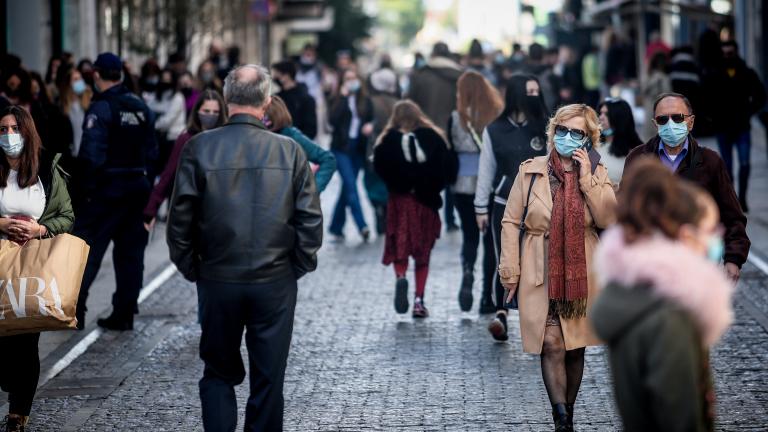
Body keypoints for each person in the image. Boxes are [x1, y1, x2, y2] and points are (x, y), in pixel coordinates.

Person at [167, 64, 323, 432]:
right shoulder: (289, 151)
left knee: (218, 371)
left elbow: (179, 223)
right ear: (267, 103)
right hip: (274, 279)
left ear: (225, 100)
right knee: (269, 378)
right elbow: (310, 223)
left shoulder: (199, 147)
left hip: (219, 277)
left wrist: (196, 269)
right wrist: (294, 267)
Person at [591, 158, 733, 432]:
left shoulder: (634, 299)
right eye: (711, 231)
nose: (716, 240)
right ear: (687, 237)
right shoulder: (669, 319)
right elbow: (679, 417)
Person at [498, 104, 616, 431]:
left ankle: (569, 412)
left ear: (589, 138)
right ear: (552, 132)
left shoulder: (597, 170)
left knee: (575, 347)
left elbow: (608, 218)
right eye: (561, 130)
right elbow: (510, 221)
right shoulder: (530, 170)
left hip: (583, 268)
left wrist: (587, 179)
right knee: (550, 344)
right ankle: (560, 418)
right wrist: (510, 269)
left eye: (576, 132)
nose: (566, 137)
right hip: (540, 266)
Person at [623, 92, 750, 283]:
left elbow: (732, 215)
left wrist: (733, 258)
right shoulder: (638, 159)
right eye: (663, 119)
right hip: (650, 268)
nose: (670, 124)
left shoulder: (710, 161)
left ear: (690, 122)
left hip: (698, 266)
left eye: (677, 117)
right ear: (655, 124)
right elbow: (624, 212)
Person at [0, 106, 74, 432]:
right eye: (2, 129)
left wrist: (39, 230)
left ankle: (19, 411)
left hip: (32, 267)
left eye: (14, 128)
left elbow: (66, 216)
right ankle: (9, 382)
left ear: (27, 132)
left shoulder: (45, 168)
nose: (8, 136)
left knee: (26, 339)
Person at [72, 52, 158, 331]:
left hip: (107, 191)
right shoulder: (140, 107)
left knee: (88, 252)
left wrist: (84, 192)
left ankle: (76, 311)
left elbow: (90, 156)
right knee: (131, 255)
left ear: (97, 75)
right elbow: (152, 153)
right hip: (137, 189)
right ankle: (124, 312)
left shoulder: (101, 108)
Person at [475, 74, 549, 341]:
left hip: (541, 205)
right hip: (504, 204)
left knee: (538, 262)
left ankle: (538, 318)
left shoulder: (546, 127)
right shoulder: (493, 130)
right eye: (529, 91)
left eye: (536, 91)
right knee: (503, 259)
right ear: (517, 94)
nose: (534, 96)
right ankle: (501, 312)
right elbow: (486, 172)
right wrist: (480, 209)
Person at [373, 100, 457, 318]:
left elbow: (379, 168)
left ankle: (401, 277)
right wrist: (431, 187)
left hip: (399, 202)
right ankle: (419, 300)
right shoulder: (433, 137)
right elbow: (446, 169)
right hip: (425, 203)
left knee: (399, 245)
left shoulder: (386, 141)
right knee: (422, 253)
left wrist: (398, 184)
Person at [448, 71, 503, 314]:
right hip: (489, 181)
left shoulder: (455, 117)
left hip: (462, 181)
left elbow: (450, 146)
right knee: (490, 239)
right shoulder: (495, 115)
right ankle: (487, 297)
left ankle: (468, 270)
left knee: (469, 235)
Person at [144, 90, 227, 228]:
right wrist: (151, 209)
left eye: (215, 112)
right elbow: (169, 174)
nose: (211, 115)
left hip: (218, 210)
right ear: (197, 111)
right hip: (191, 209)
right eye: (206, 111)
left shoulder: (226, 138)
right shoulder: (186, 139)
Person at [704, 40, 766, 212]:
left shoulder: (747, 72)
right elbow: (705, 97)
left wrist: (749, 111)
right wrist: (711, 117)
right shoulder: (714, 73)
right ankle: (732, 201)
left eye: (729, 53)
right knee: (727, 168)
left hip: (742, 127)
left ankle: (743, 199)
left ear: (736, 53)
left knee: (745, 164)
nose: (726, 57)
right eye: (724, 54)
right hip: (722, 128)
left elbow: (761, 95)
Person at [408, 42, 463, 232]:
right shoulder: (459, 76)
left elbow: (409, 104)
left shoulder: (420, 75)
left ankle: (427, 215)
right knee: (448, 176)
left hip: (425, 132)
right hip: (450, 132)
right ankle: (449, 218)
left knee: (426, 175)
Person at [328, 69, 374, 242]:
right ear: (342, 82)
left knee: (347, 188)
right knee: (351, 187)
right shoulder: (337, 99)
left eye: (353, 78)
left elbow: (371, 118)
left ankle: (336, 226)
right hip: (340, 148)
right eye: (347, 79)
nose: (351, 81)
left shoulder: (365, 100)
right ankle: (362, 225)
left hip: (357, 149)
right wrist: (343, 98)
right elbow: (332, 121)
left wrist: (370, 125)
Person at [264, 95, 336, 192]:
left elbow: (328, 160)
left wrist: (311, 193)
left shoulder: (290, 135)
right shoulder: (256, 136)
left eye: (265, 115)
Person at [365, 67, 399, 234]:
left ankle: (378, 208)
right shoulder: (398, 103)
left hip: (374, 148)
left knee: (373, 182)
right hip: (393, 149)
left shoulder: (370, 101)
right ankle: (386, 211)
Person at [147, 68, 186, 177]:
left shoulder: (177, 98)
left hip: (171, 139)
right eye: (163, 79)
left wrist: (151, 125)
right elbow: (148, 109)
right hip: (158, 139)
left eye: (168, 79)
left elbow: (167, 121)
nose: (165, 82)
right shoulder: (156, 96)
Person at [54, 63, 92, 169]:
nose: (79, 82)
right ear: (68, 83)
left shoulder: (88, 105)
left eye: (80, 79)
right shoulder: (61, 108)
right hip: (70, 158)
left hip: (86, 157)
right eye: (75, 79)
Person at [597, 98, 643, 185]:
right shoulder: (594, 146)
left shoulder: (637, 152)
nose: (601, 117)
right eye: (600, 113)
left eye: (607, 114)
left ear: (620, 119)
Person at [272, 60, 318, 139]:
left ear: (286, 75)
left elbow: (311, 130)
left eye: (277, 74)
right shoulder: (276, 98)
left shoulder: (306, 99)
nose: (274, 78)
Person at [641, 52, 672, 141]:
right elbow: (668, 93)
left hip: (650, 111)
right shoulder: (664, 78)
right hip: (662, 111)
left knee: (650, 137)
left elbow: (644, 91)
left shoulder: (649, 77)